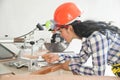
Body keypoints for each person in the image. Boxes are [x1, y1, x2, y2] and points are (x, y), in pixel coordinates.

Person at [42, 2, 120, 76]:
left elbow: (98, 74)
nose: (61, 35)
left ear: (69, 28)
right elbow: (81, 58)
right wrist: (58, 57)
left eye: (60, 31)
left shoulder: (96, 38)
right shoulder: (87, 36)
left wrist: (70, 67)